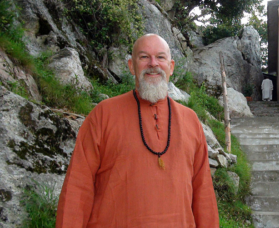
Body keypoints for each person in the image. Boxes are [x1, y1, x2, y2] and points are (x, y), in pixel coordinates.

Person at [56, 34, 219, 228]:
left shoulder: (190, 120)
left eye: (160, 57)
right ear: (131, 66)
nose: (153, 64)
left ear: (171, 67)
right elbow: (77, 186)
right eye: (144, 57)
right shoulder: (103, 114)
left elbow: (203, 193)